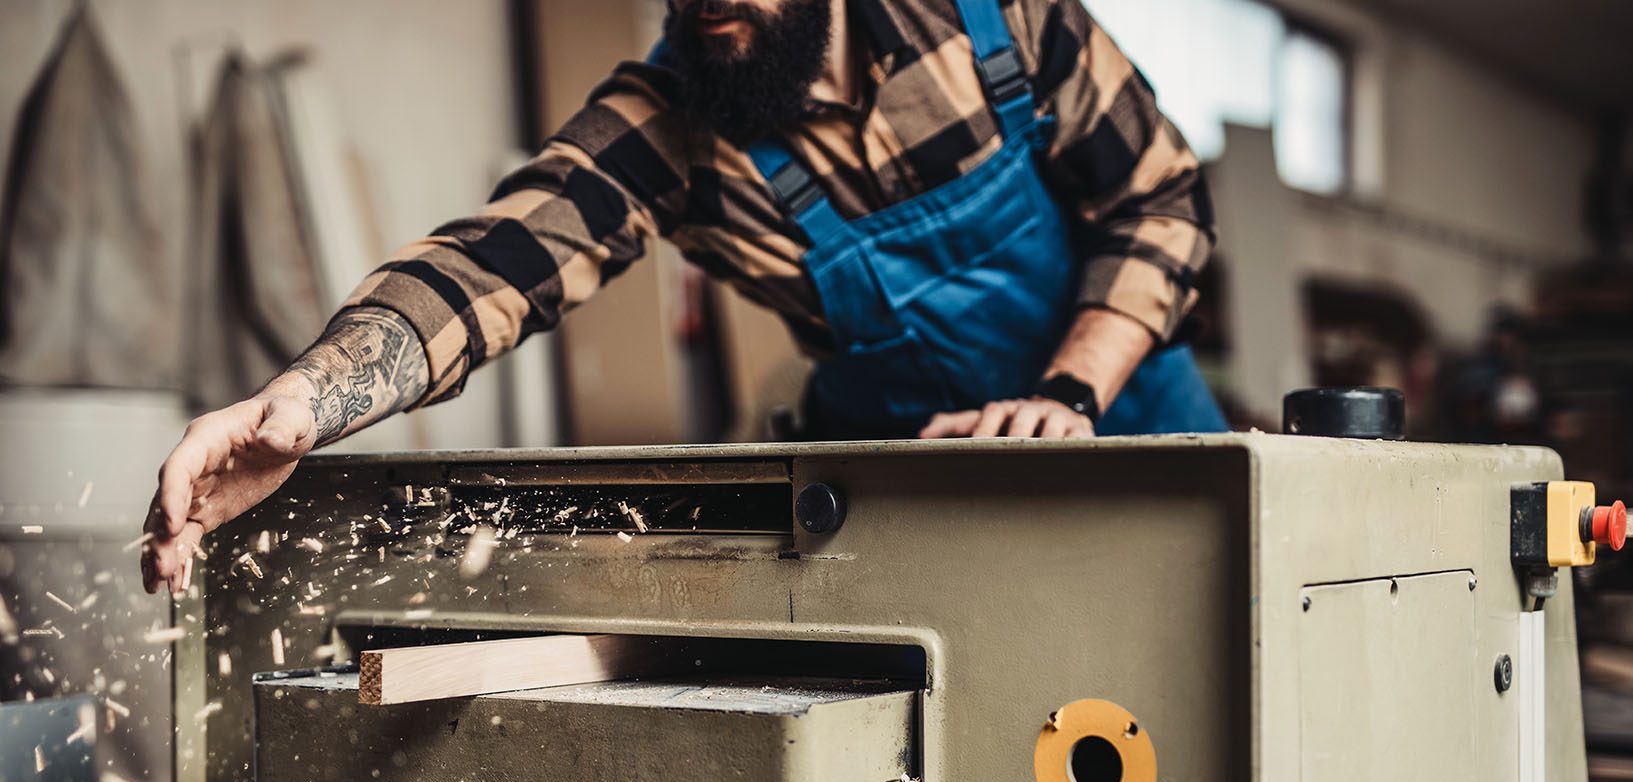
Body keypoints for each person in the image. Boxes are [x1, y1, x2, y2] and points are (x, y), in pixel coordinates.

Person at [141, 0, 1225, 594]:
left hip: (1137, 433)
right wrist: (299, 403)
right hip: (917, 490)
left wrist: (1070, 394)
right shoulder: (670, 122)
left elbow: (1162, 198)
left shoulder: (1006, 24)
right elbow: (495, 260)